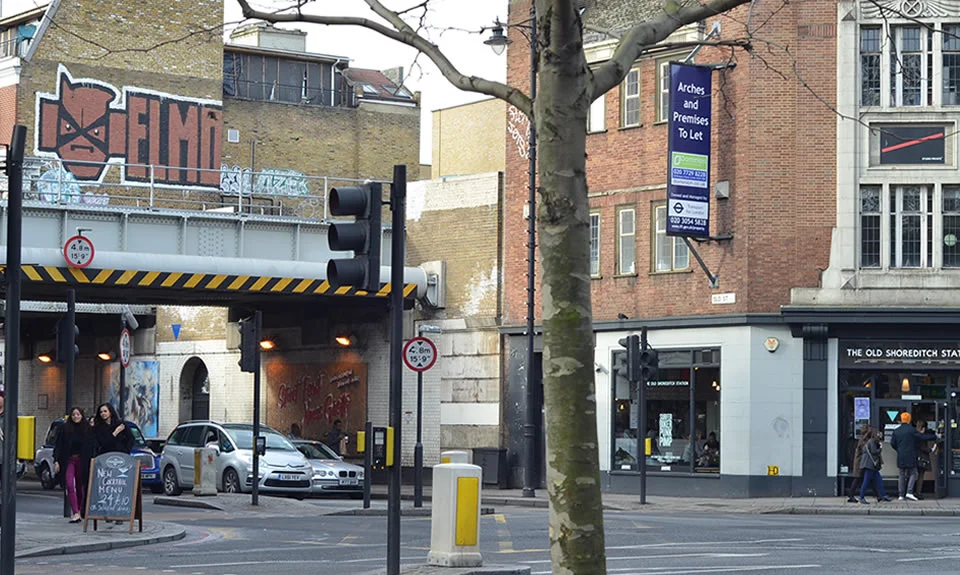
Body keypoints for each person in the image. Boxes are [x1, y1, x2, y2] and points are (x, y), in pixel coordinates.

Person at [54, 407, 94, 522]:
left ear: (82, 415)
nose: (76, 416)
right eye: (73, 415)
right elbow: (59, 445)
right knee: (70, 484)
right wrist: (56, 460)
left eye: (78, 414)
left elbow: (92, 446)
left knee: (81, 487)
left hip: (82, 461)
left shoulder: (87, 429)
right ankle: (75, 512)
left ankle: (80, 510)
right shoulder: (64, 429)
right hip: (69, 460)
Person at [891, 411, 937, 501]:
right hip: (911, 455)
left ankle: (901, 495)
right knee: (913, 473)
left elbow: (893, 444)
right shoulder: (912, 430)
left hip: (901, 456)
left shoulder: (896, 431)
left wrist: (899, 450)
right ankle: (909, 492)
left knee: (901, 474)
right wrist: (934, 436)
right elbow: (922, 437)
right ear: (909, 419)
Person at [859, 430, 892, 504]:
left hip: (871, 465)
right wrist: (880, 448)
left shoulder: (871, 441)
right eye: (879, 436)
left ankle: (883, 495)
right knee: (866, 481)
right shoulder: (872, 442)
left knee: (879, 480)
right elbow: (874, 452)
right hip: (869, 465)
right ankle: (861, 497)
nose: (880, 438)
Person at [847, 424, 872, 503]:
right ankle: (851, 495)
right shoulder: (863, 440)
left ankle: (879, 495)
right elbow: (867, 448)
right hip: (860, 462)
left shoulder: (862, 439)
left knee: (862, 478)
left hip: (861, 462)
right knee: (857, 478)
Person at [914, 421, 933, 500]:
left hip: (915, 457)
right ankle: (918, 493)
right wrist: (931, 449)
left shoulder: (914, 435)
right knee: (921, 476)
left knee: (913, 475)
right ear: (923, 428)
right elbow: (923, 448)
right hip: (922, 458)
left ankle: (911, 491)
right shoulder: (921, 437)